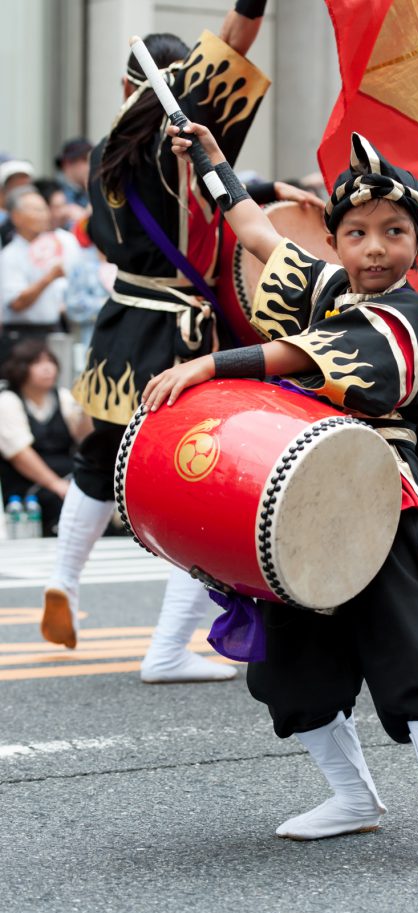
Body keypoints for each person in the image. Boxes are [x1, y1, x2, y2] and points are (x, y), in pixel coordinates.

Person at [143, 121, 418, 879]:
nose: (374, 248)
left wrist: (213, 364)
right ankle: (351, 797)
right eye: (356, 233)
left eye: (393, 232)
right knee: (292, 668)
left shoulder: (405, 313)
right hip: (300, 499)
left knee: (413, 655)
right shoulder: (332, 287)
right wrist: (207, 158)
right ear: (334, 241)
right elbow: (258, 234)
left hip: (379, 500)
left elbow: (307, 355)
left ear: (417, 242)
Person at [41, 1, 320, 684]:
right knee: (202, 482)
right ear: (179, 75)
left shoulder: (111, 145)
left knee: (99, 454)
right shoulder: (177, 119)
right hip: (177, 330)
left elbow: (180, 189)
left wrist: (260, 184)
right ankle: (167, 649)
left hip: (120, 319)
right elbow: (238, 35)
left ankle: (62, 580)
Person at [0, 339, 91, 534]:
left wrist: (88, 407)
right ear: (20, 368)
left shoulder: (64, 396)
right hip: (29, 490)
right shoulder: (7, 401)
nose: (47, 369)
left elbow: (84, 438)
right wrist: (56, 485)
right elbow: (19, 455)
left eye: (50, 361)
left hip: (68, 478)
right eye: (37, 363)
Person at [0, 188, 82, 340]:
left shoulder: (60, 242)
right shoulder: (10, 255)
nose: (44, 215)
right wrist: (49, 278)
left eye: (45, 209)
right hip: (21, 335)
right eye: (37, 210)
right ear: (16, 217)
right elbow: (16, 303)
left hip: (55, 328)